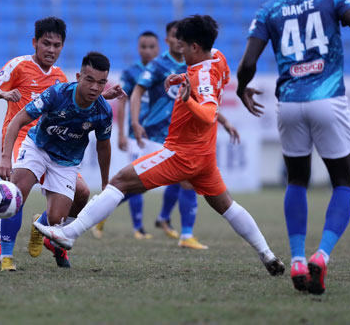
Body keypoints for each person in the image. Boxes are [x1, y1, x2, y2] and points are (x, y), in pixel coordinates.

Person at [34, 15, 286, 278]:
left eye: (184, 47)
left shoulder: (202, 75)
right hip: (204, 154)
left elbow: (209, 113)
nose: (180, 51)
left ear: (196, 47)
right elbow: (215, 83)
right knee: (227, 206)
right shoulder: (218, 57)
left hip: (181, 153)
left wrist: (187, 100)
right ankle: (266, 253)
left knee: (119, 182)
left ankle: (69, 234)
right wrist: (185, 78)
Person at [236, 0, 350, 294]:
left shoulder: (269, 9)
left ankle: (299, 259)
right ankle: (322, 256)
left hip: (288, 104)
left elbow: (248, 63)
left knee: (297, 179)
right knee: (345, 180)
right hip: (328, 99)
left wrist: (242, 88)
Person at [0, 20, 124, 271]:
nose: (51, 49)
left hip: (65, 157)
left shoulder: (63, 81)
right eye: (46, 43)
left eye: (56, 45)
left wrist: (106, 182)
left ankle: (44, 227)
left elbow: (89, 116)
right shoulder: (23, 68)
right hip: (34, 141)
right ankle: (3, 252)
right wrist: (4, 154)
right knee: (16, 193)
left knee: (70, 205)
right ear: (35, 42)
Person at [129, 21, 206, 249]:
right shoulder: (158, 65)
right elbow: (137, 91)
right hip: (156, 135)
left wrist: (222, 121)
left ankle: (184, 233)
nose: (179, 41)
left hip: (181, 135)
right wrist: (135, 122)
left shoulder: (194, 65)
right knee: (135, 184)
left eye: (183, 37)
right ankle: (104, 206)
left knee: (186, 179)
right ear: (169, 39)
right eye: (175, 36)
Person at [93, 31, 160, 240]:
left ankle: (102, 212)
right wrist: (121, 133)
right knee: (138, 180)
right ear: (138, 48)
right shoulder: (132, 73)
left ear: (158, 48)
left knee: (149, 182)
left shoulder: (165, 70)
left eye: (151, 47)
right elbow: (121, 102)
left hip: (158, 135)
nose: (147, 51)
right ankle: (138, 228)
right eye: (143, 47)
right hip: (135, 135)